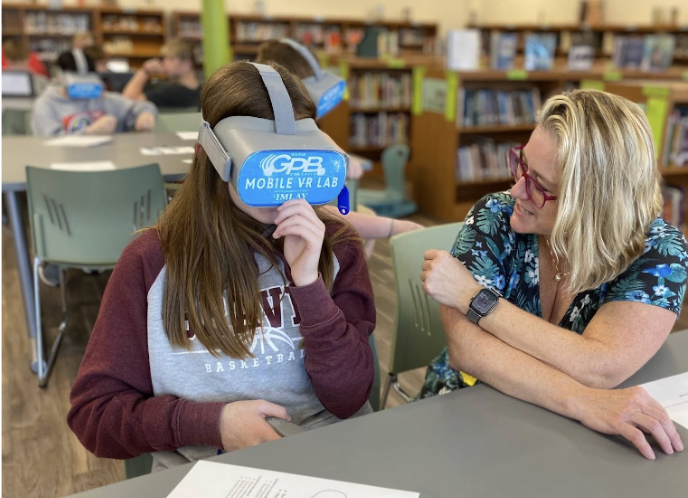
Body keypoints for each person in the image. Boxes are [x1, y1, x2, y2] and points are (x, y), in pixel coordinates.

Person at [67, 61, 376, 471]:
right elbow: (96, 416)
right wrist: (210, 423)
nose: (283, 184)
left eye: (297, 162)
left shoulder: (337, 245)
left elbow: (350, 397)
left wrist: (309, 286)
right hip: (210, 469)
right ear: (214, 157)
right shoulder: (151, 261)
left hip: (328, 460)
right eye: (264, 164)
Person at [419, 89, 688, 460]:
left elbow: (599, 367)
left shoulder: (660, 251)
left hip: (568, 443)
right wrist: (585, 401)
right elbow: (468, 351)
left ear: (593, 206)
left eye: (541, 186)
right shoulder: (495, 216)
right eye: (522, 163)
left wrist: (473, 298)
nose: (516, 188)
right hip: (472, 409)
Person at [256, 39, 422, 257]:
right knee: (354, 239)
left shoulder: (275, 127)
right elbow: (322, 213)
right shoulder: (276, 144)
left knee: (360, 229)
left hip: (290, 234)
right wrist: (390, 227)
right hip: (279, 245)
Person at [31, 52, 157, 137]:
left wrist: (145, 114)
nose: (85, 91)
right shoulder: (45, 105)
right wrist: (90, 132)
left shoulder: (102, 98)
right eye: (77, 85)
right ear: (60, 78)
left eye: (89, 84)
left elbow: (139, 107)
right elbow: (49, 144)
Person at [122, 39, 201, 110]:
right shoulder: (205, 91)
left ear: (186, 64)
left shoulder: (170, 92)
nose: (164, 63)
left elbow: (127, 101)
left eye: (171, 59)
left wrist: (145, 71)